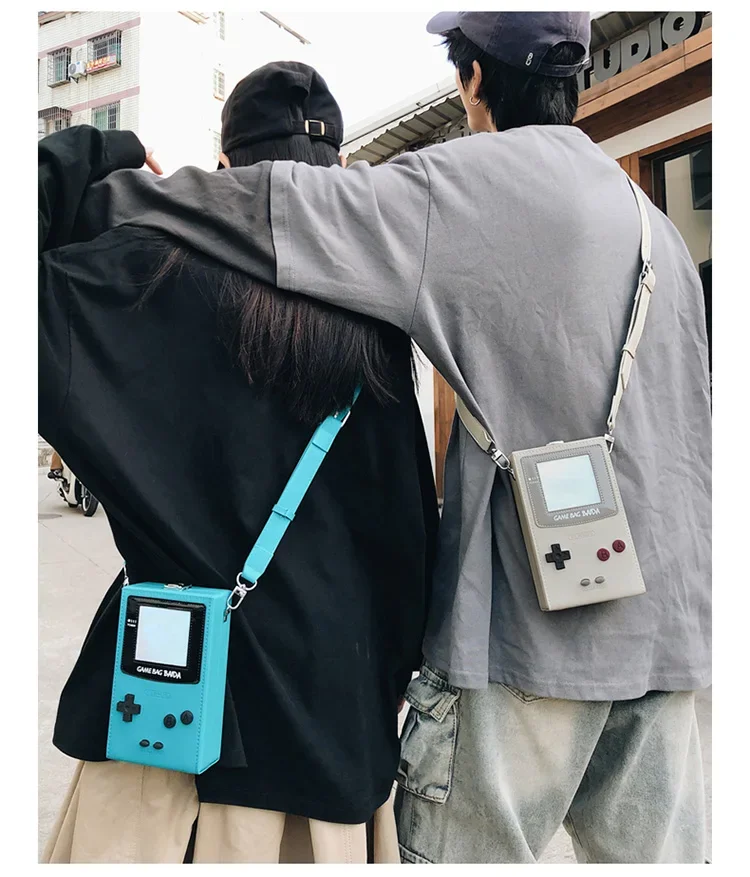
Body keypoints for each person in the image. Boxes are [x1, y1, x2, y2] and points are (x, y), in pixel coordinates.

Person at [48, 11, 711, 864]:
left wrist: (108, 174)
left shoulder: (451, 193)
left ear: (474, 79)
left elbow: (281, 204)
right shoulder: (656, 229)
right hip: (649, 654)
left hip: (506, 661)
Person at [38, 61, 438, 864]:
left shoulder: (128, 282)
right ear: (339, 175)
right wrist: (386, 680)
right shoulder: (378, 323)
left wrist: (97, 150)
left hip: (154, 734)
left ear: (223, 169)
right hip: (320, 734)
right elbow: (407, 548)